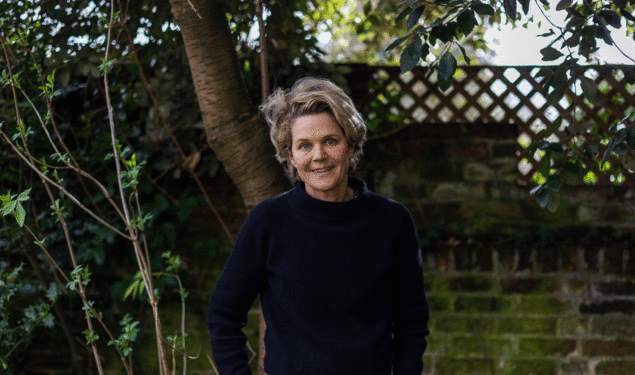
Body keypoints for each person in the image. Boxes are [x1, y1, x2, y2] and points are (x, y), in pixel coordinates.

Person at [206, 77, 430, 375]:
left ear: (351, 144)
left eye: (330, 141)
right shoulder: (268, 221)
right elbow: (223, 315)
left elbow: (411, 322)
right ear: (290, 155)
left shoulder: (392, 221)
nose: (318, 156)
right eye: (305, 145)